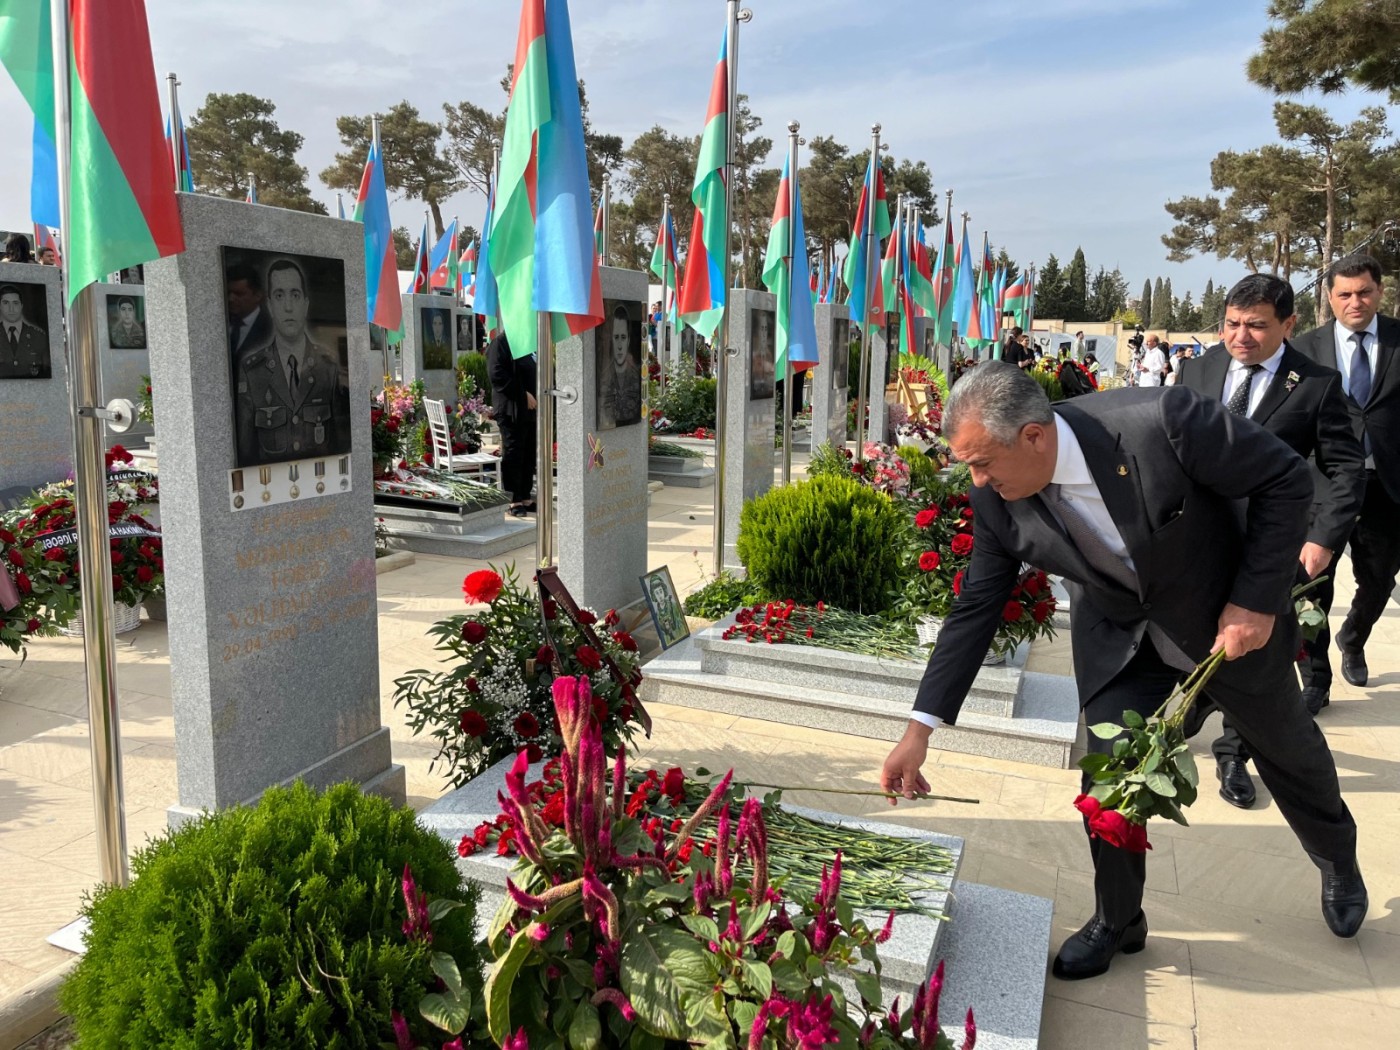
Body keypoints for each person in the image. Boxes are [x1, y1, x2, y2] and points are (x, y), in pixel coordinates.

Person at [880, 361, 1365, 981]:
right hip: (1122, 641)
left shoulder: (1164, 422)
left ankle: (1336, 857)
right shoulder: (997, 498)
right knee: (1110, 782)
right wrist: (920, 729)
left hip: (1229, 628)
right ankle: (1118, 918)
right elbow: (977, 605)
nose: (976, 480)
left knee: (1289, 753)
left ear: (1034, 436)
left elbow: (1285, 480)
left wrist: (1254, 600)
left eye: (983, 463)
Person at [1178, 274, 1365, 807]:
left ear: (1288, 325)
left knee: (1258, 651)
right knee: (1199, 636)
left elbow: (1344, 468)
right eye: (1232, 324)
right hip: (1201, 540)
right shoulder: (1198, 369)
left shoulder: (1316, 384)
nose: (1241, 336)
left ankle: (1235, 753)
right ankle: (1193, 706)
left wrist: (1324, 538)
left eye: (1257, 326)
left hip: (1276, 545)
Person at [1290, 254, 1400, 692]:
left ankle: (1353, 639)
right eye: (1345, 294)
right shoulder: (1305, 349)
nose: (1356, 301)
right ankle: (1316, 675)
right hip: (1324, 486)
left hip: (1387, 485)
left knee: (1378, 580)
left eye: (1365, 292)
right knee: (1313, 583)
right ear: (1330, 297)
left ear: (1380, 291)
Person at [233, 258, 349, 467]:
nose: (288, 307)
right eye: (279, 296)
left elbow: (341, 443)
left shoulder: (328, 366)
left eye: (295, 295)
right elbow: (245, 449)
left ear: (305, 304)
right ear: (269, 305)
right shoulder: (252, 371)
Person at [487, 330, 538, 516]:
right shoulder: (500, 342)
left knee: (529, 454)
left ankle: (525, 495)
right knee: (514, 454)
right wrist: (523, 395)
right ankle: (513, 500)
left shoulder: (528, 340)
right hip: (511, 410)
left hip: (531, 412)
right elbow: (496, 374)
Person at [598, 305, 641, 428]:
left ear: (628, 340)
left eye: (623, 337)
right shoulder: (604, 376)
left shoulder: (636, 374)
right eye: (616, 337)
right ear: (611, 339)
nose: (620, 345)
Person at [0, 284, 50, 379]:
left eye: (15, 303)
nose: (11, 309)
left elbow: (46, 369)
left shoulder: (38, 336)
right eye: (6, 303)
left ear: (21, 306)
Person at [226, 261, 270, 360]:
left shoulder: (271, 328)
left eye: (239, 294)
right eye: (228, 293)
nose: (231, 299)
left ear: (258, 295)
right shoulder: (220, 321)